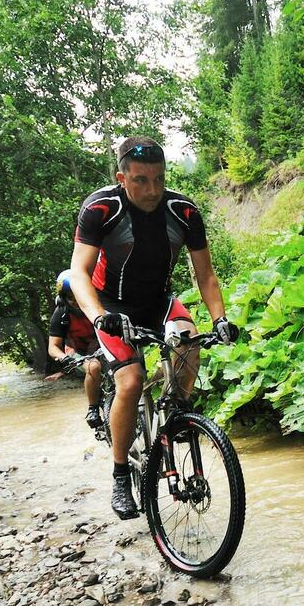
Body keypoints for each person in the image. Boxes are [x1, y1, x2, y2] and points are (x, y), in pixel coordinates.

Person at [66, 136, 240, 519]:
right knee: (129, 381)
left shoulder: (184, 211)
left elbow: (206, 275)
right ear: (122, 177)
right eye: (141, 180)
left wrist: (220, 319)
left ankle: (176, 415)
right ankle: (119, 474)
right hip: (111, 306)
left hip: (158, 301)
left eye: (159, 179)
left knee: (189, 342)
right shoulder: (101, 208)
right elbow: (79, 273)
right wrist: (98, 315)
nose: (153, 190)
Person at [46, 269, 105, 433]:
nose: (76, 301)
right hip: (76, 351)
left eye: (79, 294)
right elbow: (53, 346)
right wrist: (64, 358)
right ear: (65, 297)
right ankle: (92, 409)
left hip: (103, 346)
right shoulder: (61, 313)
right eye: (71, 297)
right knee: (93, 367)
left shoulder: (100, 304)